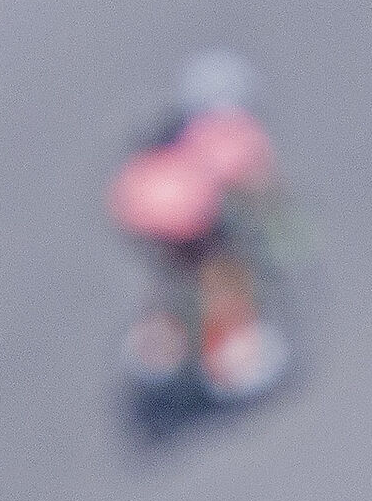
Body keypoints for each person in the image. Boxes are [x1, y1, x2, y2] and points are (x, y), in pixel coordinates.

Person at [110, 50, 292, 405]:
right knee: (227, 276)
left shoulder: (170, 130)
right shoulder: (233, 133)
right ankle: (234, 360)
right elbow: (259, 189)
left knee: (175, 277)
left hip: (144, 212)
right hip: (188, 214)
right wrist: (281, 229)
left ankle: (157, 346)